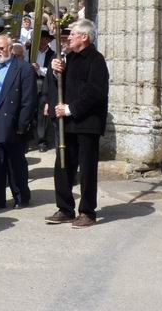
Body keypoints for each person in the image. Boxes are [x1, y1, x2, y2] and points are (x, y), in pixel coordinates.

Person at [44, 19, 109, 229]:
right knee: (63, 165)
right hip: (68, 123)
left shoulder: (96, 60)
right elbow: (60, 86)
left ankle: (87, 211)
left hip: (87, 123)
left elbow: (95, 92)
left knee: (87, 169)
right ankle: (65, 208)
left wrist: (70, 108)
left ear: (84, 37)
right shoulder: (68, 58)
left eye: (72, 34)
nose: (68, 37)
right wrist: (54, 72)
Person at [0, 34, 37, 211]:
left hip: (11, 120)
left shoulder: (23, 68)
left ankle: (21, 196)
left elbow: (28, 100)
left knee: (15, 162)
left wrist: (22, 125)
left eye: (2, 48)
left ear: (11, 49)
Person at [31, 27, 56, 152]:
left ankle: (42, 141)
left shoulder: (52, 54)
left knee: (42, 113)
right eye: (39, 39)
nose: (41, 41)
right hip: (31, 84)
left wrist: (39, 69)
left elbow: (51, 73)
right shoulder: (31, 52)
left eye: (44, 39)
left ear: (48, 40)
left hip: (44, 85)